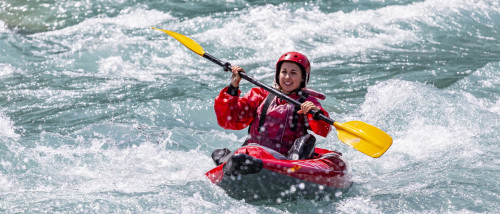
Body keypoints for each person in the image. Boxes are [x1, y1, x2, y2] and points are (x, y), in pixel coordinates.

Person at [212, 52, 332, 167]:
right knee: (223, 156)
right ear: (277, 74)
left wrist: (315, 114)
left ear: (303, 77)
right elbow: (229, 120)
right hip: (255, 154)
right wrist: (233, 87)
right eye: (283, 72)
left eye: (293, 73)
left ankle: (292, 169)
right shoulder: (261, 95)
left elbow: (324, 130)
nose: (287, 77)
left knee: (308, 140)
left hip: (287, 161)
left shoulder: (308, 102)